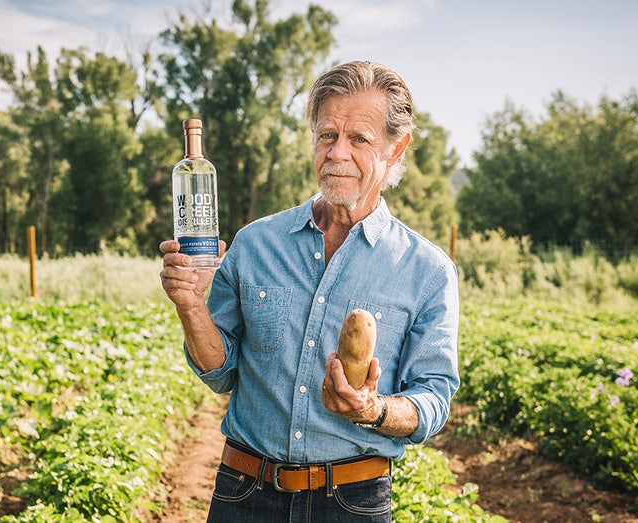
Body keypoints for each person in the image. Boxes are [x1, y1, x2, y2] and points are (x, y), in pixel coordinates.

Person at [159, 60, 460, 522]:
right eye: (327, 135)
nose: (337, 153)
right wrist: (191, 307)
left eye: (359, 139)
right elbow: (220, 373)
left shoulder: (426, 270)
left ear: (396, 148)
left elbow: (434, 398)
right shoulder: (257, 243)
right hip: (246, 492)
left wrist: (372, 409)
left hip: (352, 502)